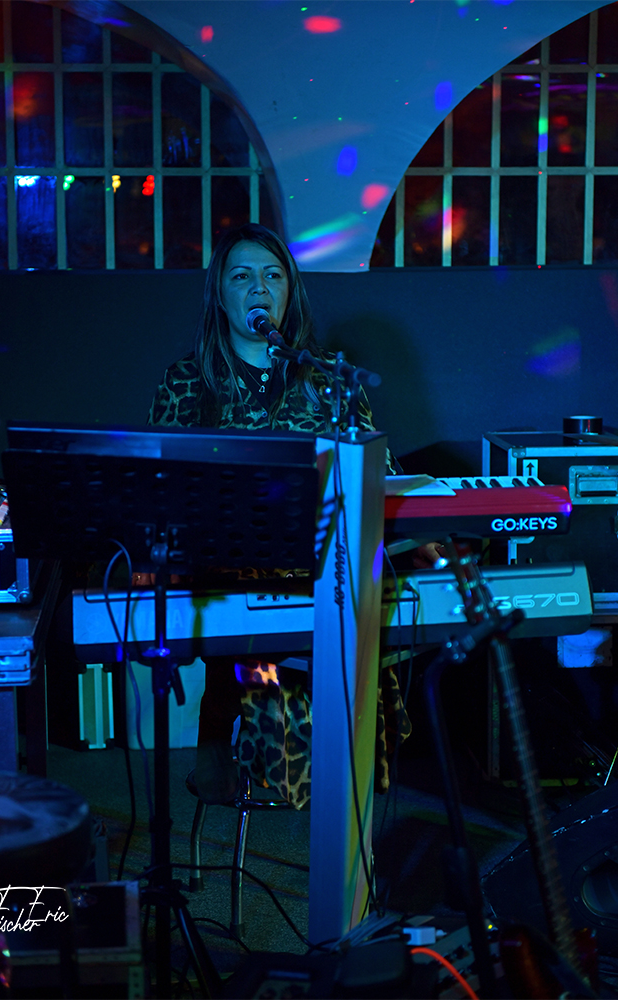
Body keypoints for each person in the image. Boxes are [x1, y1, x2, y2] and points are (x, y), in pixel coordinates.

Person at [146, 223, 426, 806]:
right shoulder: (185, 382)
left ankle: (336, 780)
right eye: (242, 275)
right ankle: (254, 754)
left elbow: (380, 471)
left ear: (289, 292)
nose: (259, 287)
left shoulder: (327, 379)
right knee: (264, 638)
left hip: (323, 567)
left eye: (273, 275)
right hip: (231, 576)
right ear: (220, 293)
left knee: (368, 603)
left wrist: (410, 521)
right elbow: (161, 493)